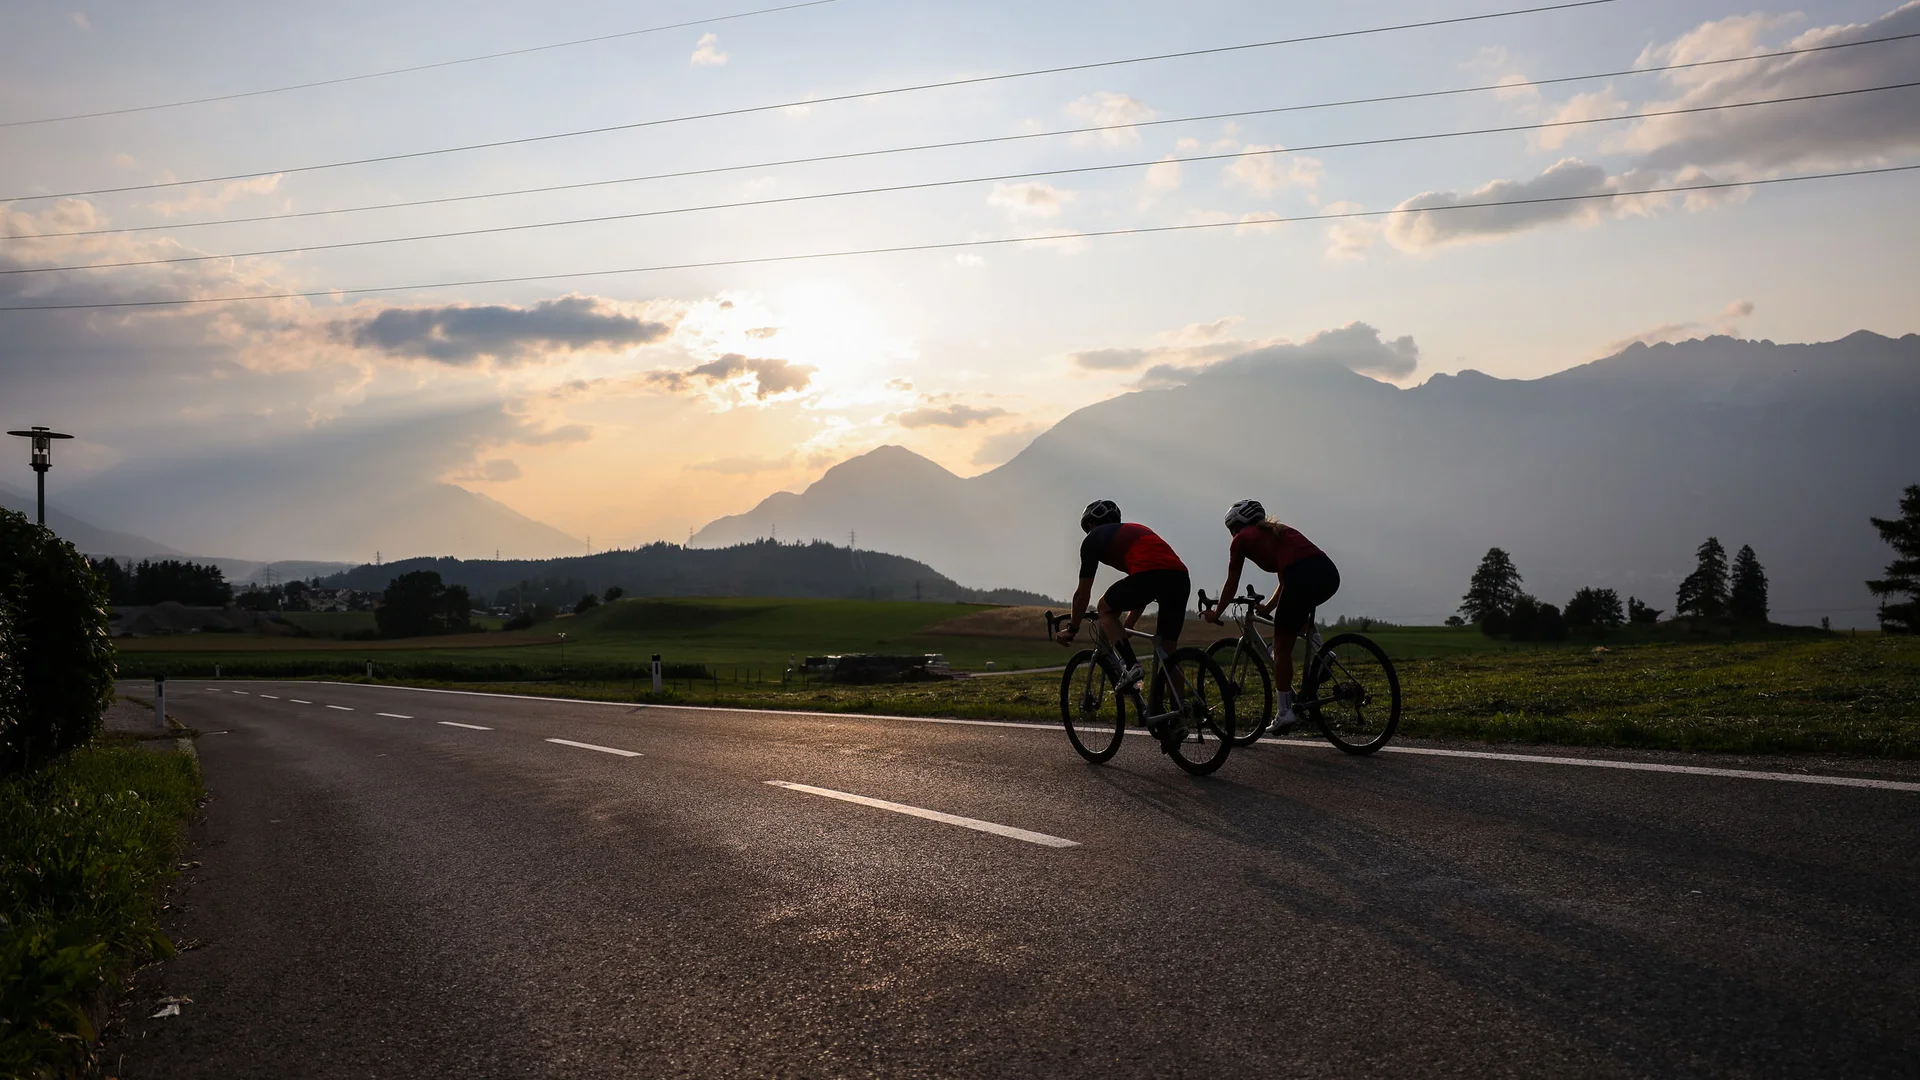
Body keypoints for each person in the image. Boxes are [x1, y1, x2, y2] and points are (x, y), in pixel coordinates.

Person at [1202, 499, 1340, 733]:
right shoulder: (1278, 533)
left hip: (1302, 575)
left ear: (1236, 525)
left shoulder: (1241, 539)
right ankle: (1322, 653)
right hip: (1327, 573)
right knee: (1295, 617)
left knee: (1280, 646)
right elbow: (1286, 579)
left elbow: (1232, 581)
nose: (1231, 534)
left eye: (1230, 529)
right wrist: (1267, 609)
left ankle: (1284, 712)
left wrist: (1217, 612)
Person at [1053, 500, 1192, 729]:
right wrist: (1126, 626)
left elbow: (1082, 593)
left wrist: (1073, 628)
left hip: (1151, 575)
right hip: (1179, 577)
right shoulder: (1132, 532)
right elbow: (1143, 590)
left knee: (1104, 607)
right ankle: (1180, 714)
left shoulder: (1092, 539)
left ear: (1090, 524)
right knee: (1169, 652)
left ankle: (1131, 666)